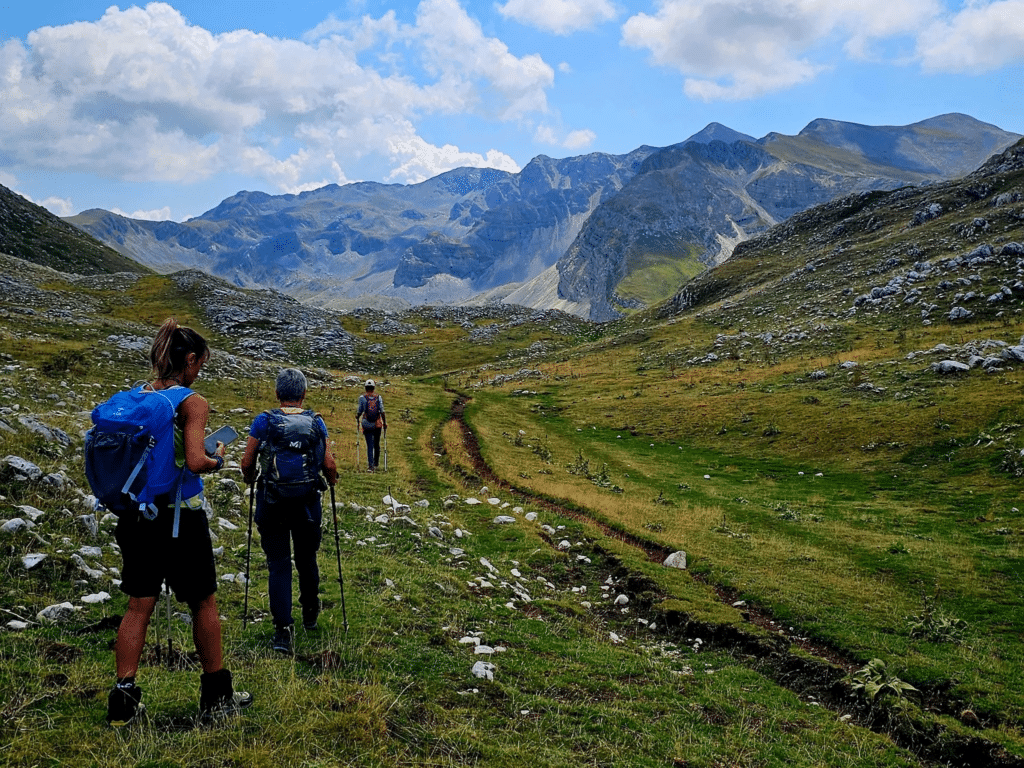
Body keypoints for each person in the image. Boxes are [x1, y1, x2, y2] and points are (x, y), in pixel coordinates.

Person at [107, 318, 253, 727]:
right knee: (204, 602)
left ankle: (122, 701)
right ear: (189, 360)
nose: (199, 371)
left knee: (139, 606)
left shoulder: (138, 396)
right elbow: (193, 461)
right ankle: (216, 697)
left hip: (137, 515)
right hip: (179, 518)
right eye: (200, 363)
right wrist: (218, 456)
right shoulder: (191, 401)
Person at [240, 368, 337, 654]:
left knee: (279, 564)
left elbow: (247, 461)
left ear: (278, 394)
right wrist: (330, 481)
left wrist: (251, 479)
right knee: (307, 557)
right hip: (307, 503)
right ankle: (309, 612)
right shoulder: (316, 422)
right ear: (303, 394)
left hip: (272, 502)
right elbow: (329, 464)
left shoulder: (264, 421)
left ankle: (283, 630)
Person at [356, 379, 387, 472]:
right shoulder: (378, 397)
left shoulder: (362, 398)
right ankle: (376, 463)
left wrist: (357, 417)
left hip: (367, 423)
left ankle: (371, 466)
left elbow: (359, 411)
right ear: (373, 388)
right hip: (377, 424)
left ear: (365, 388)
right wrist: (384, 423)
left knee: (369, 445)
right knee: (376, 444)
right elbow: (382, 411)